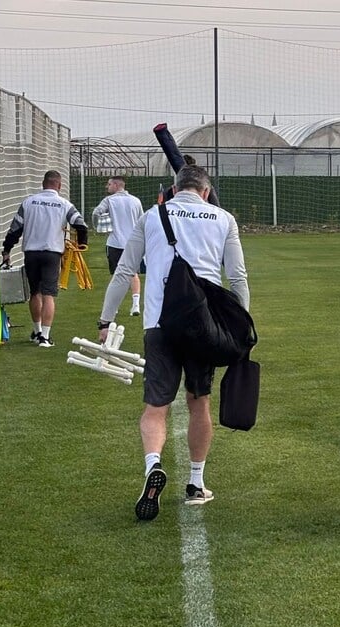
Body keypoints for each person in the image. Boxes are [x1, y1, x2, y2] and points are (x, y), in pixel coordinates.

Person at [97, 164, 250, 521]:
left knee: (156, 407)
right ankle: (196, 483)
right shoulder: (224, 219)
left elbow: (125, 270)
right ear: (206, 191)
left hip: (159, 323)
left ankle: (153, 465)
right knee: (200, 404)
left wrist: (106, 319)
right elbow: (238, 277)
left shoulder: (153, 215)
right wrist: (241, 326)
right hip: (205, 325)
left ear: (172, 188)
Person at [1, 170, 88, 348]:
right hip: (52, 254)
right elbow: (81, 225)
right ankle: (45, 337)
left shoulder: (29, 202)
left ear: (43, 183)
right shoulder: (64, 204)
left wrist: (7, 250)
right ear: (59, 185)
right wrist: (81, 244)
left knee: (35, 293)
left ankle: (37, 331)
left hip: (31, 253)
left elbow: (15, 229)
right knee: (49, 294)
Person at [92, 176, 144, 316]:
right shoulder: (136, 201)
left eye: (109, 184)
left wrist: (98, 226)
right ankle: (135, 305)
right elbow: (142, 221)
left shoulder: (109, 200)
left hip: (115, 243)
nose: (106, 187)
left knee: (116, 276)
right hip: (132, 243)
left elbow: (96, 212)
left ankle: (113, 307)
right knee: (133, 274)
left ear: (116, 185)